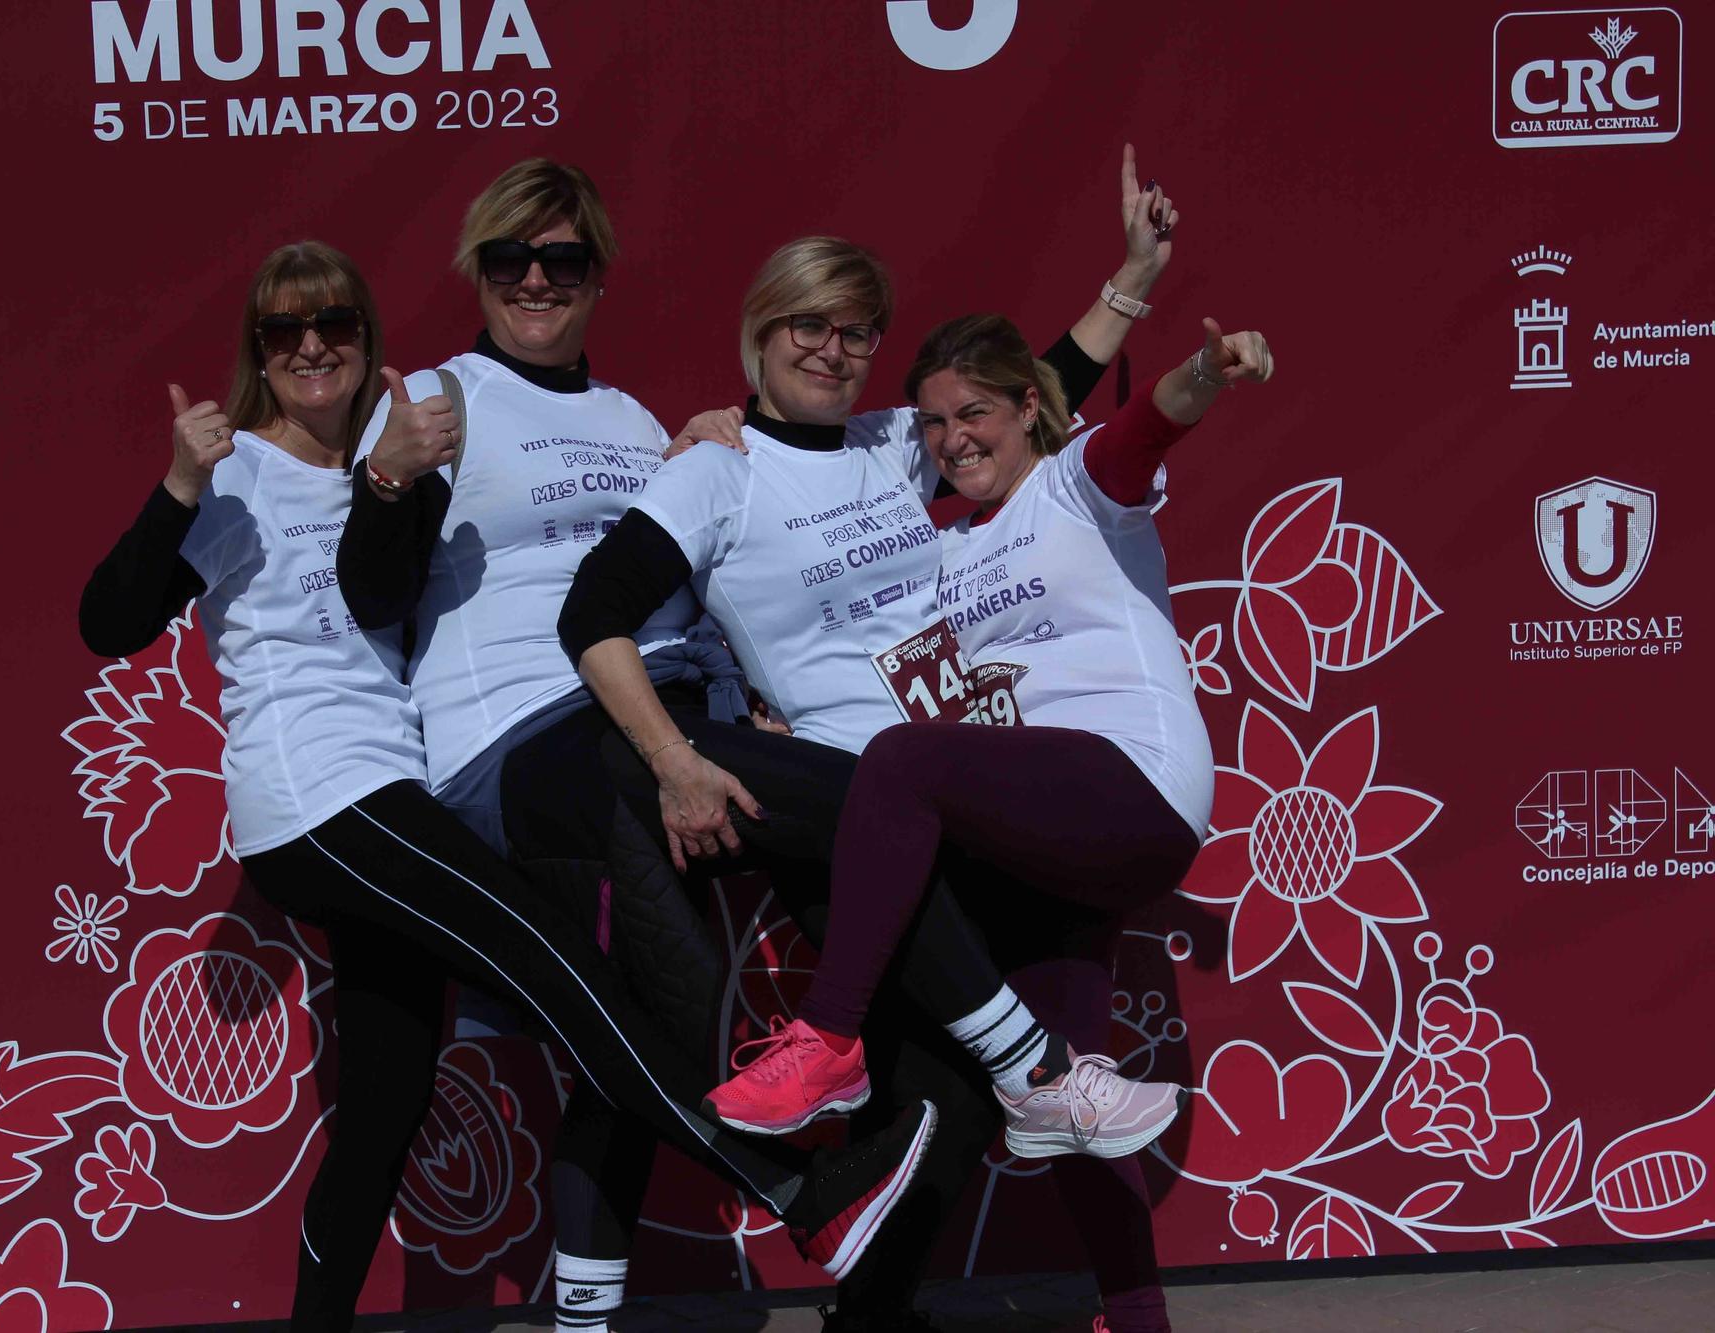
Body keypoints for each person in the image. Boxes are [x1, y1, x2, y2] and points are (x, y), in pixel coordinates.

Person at [347, 153, 1183, 1333]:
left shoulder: (704, 432)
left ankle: (861, 1270)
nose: (831, 349)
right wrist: (387, 480)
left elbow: (1021, 393)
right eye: (511, 258)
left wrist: (1131, 283)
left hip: (791, 756)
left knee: (744, 1049)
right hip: (597, 754)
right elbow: (540, 607)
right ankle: (1029, 1075)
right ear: (758, 334)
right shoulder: (475, 409)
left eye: (853, 331)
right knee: (755, 925)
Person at [77, 239, 938, 1333]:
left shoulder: (398, 463)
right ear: (258, 351)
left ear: (367, 342)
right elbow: (107, 624)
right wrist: (178, 484)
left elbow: (539, 533)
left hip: (397, 789)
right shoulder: (239, 471)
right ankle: (796, 1191)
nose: (310, 349)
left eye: (334, 326)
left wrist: (702, 442)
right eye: (283, 333)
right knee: (562, 972)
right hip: (317, 799)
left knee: (385, 1103)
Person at [703, 311, 1273, 1145]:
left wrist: (1207, 369)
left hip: (1134, 785)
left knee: (901, 765)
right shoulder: (942, 553)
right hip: (1043, 832)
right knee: (1066, 1099)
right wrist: (726, 436)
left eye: (973, 413)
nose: (952, 440)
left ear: (1029, 409)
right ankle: (1107, 1258)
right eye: (933, 422)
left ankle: (828, 1035)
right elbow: (858, 651)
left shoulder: (1076, 482)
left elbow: (1147, 427)